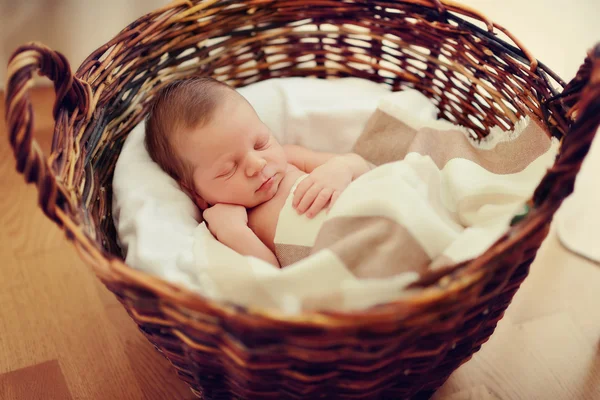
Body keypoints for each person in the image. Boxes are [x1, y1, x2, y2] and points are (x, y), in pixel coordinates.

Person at [145, 77, 372, 267]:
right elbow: (269, 275)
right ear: (198, 194)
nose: (257, 164)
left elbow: (366, 167)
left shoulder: (291, 158)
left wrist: (341, 168)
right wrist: (234, 232)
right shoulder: (227, 222)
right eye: (228, 169)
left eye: (261, 143)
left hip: (370, 212)